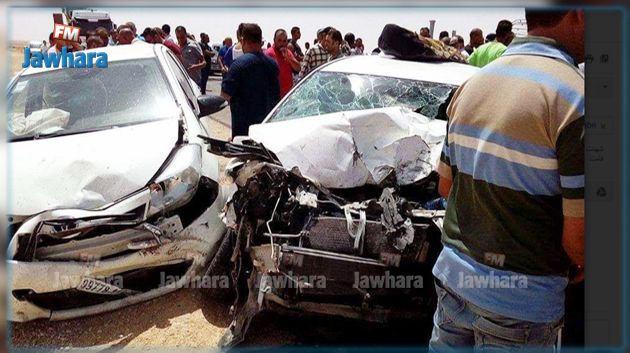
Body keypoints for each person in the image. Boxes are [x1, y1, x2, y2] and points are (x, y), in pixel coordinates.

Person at [430, 8, 584, 351]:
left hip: (454, 282)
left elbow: (445, 187)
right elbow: (579, 241)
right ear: (579, 13)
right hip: (520, 305)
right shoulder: (577, 99)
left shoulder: (472, 84)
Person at [221, 23, 280, 138]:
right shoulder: (273, 64)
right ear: (260, 41)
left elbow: (224, 97)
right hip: (266, 134)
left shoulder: (238, 65)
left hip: (243, 136)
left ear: (242, 40)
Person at [265, 28, 301, 98]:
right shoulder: (269, 54)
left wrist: (289, 59)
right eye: (279, 40)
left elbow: (298, 68)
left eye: (284, 41)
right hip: (274, 97)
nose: (282, 43)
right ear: (274, 40)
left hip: (287, 97)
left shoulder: (288, 52)